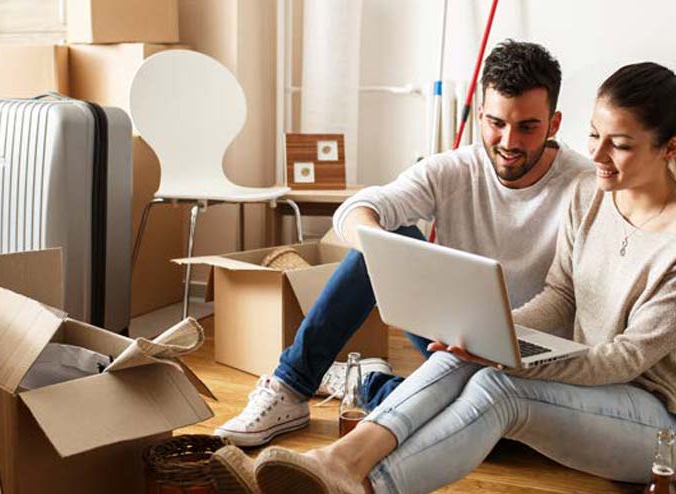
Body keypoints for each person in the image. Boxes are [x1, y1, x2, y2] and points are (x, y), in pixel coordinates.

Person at [231, 61, 676, 494]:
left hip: (663, 423)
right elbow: (560, 295)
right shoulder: (593, 195)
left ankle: (365, 486)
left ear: (671, 148)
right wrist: (491, 333)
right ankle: (337, 462)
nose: (597, 156)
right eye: (594, 136)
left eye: (618, 145)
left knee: (500, 386)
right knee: (467, 351)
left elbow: (626, 359)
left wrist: (515, 361)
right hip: (591, 386)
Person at [215, 40, 592, 447]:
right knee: (383, 236)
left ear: (553, 124)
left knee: (490, 431)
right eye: (496, 122)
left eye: (527, 127)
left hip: (529, 349)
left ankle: (367, 383)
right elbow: (355, 210)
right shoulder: (454, 168)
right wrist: (378, 244)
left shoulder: (586, 184)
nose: (507, 141)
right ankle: (291, 386)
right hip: (451, 332)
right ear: (480, 114)